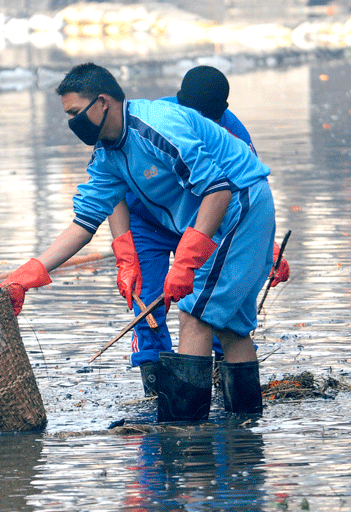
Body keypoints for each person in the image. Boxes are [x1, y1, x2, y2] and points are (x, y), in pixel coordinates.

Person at [1, 63, 276, 423]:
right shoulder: (108, 155)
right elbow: (84, 224)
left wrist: (188, 260)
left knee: (194, 314)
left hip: (241, 203)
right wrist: (29, 274)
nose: (72, 124)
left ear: (102, 103)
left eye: (74, 113)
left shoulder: (158, 124)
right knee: (231, 327)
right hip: (221, 214)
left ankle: (184, 432)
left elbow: (218, 187)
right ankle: (247, 428)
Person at [116, 66, 289, 396]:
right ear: (179, 104)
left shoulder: (232, 130)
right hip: (145, 219)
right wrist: (125, 255)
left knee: (207, 305)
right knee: (148, 295)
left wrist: (267, 246)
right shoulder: (155, 122)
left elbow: (248, 193)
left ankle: (214, 398)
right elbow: (111, 186)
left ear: (222, 112)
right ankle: (156, 383)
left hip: (201, 220)